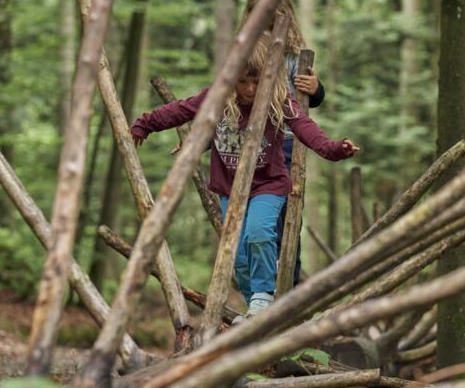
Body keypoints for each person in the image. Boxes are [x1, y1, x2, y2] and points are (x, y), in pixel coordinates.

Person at [130, 34, 359, 321]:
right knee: (236, 255)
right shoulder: (218, 97)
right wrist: (145, 125)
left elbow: (307, 129)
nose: (250, 89)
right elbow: (180, 110)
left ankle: (264, 297)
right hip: (230, 187)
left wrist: (337, 149)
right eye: (243, 81)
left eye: (257, 81)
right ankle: (254, 307)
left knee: (259, 234)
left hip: (269, 184)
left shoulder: (280, 99)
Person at [239, 0, 325, 285]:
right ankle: (258, 287)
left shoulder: (294, 58)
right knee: (254, 223)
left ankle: (288, 284)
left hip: (286, 145)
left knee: (287, 219)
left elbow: (311, 97)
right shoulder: (244, 54)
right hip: (248, 145)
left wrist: (315, 89)